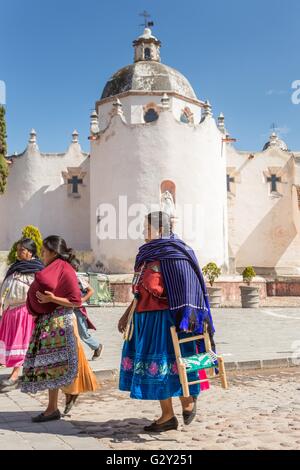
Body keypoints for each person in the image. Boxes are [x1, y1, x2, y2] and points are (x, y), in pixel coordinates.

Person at [118, 211, 215, 433]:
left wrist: (186, 313)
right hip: (145, 319)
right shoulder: (147, 255)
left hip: (168, 321)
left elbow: (188, 286)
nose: (144, 232)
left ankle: (188, 400)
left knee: (173, 361)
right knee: (157, 369)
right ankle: (167, 415)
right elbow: (138, 290)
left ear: (160, 230)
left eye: (147, 227)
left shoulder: (176, 253)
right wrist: (127, 314)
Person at [21, 235, 98, 422]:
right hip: (49, 323)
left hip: (61, 324)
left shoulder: (66, 270)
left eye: (44, 252)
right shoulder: (53, 268)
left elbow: (75, 301)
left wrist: (51, 299)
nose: (42, 255)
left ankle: (54, 406)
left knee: (58, 365)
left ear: (54, 252)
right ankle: (54, 406)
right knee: (51, 366)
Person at [0, 238, 44, 392]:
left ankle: (14, 376)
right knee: (11, 344)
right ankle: (26, 373)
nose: (18, 252)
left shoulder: (37, 269)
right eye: (17, 249)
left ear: (30, 252)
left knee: (21, 343)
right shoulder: (14, 267)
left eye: (21, 250)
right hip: (10, 312)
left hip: (25, 312)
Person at [71, 258, 103, 360]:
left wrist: (82, 300)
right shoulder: (63, 278)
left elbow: (91, 290)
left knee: (82, 333)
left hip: (78, 310)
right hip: (67, 309)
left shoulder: (78, 278)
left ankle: (97, 346)